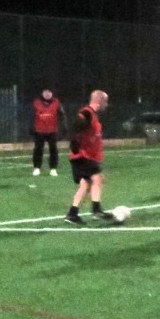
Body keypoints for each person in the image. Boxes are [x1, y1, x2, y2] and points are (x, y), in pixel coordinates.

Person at [65, 89, 115, 225]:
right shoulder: (87, 113)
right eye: (106, 101)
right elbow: (73, 128)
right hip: (82, 156)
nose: (107, 105)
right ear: (101, 100)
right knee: (97, 178)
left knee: (86, 184)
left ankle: (72, 214)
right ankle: (96, 210)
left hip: (87, 156)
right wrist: (74, 143)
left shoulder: (93, 115)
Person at [30, 88, 64, 177]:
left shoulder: (56, 102)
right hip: (39, 130)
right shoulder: (36, 102)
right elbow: (31, 116)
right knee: (38, 149)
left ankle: (53, 169)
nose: (47, 94)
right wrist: (31, 128)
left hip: (52, 130)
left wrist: (63, 127)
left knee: (53, 150)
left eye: (49, 92)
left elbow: (62, 115)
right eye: (45, 92)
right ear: (42, 93)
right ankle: (37, 168)